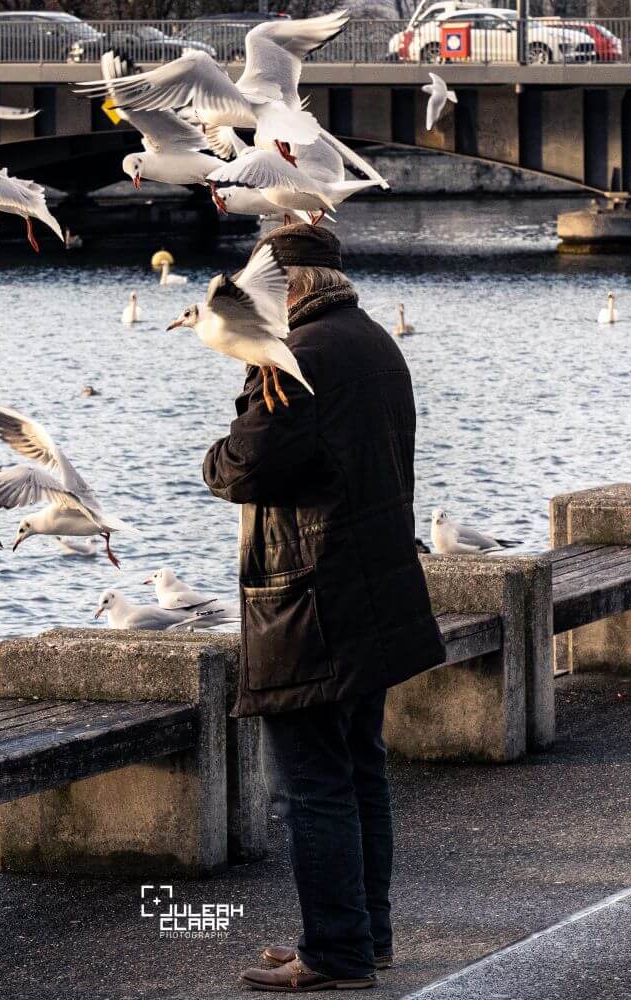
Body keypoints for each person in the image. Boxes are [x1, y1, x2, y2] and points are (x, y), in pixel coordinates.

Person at [202, 224, 445, 993]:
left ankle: (335, 953)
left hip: (309, 596)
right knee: (360, 770)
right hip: (374, 585)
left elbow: (243, 465)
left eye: (265, 287)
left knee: (313, 784)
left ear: (293, 285)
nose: (255, 301)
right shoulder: (371, 341)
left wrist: (212, 448)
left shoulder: (300, 356)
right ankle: (362, 937)